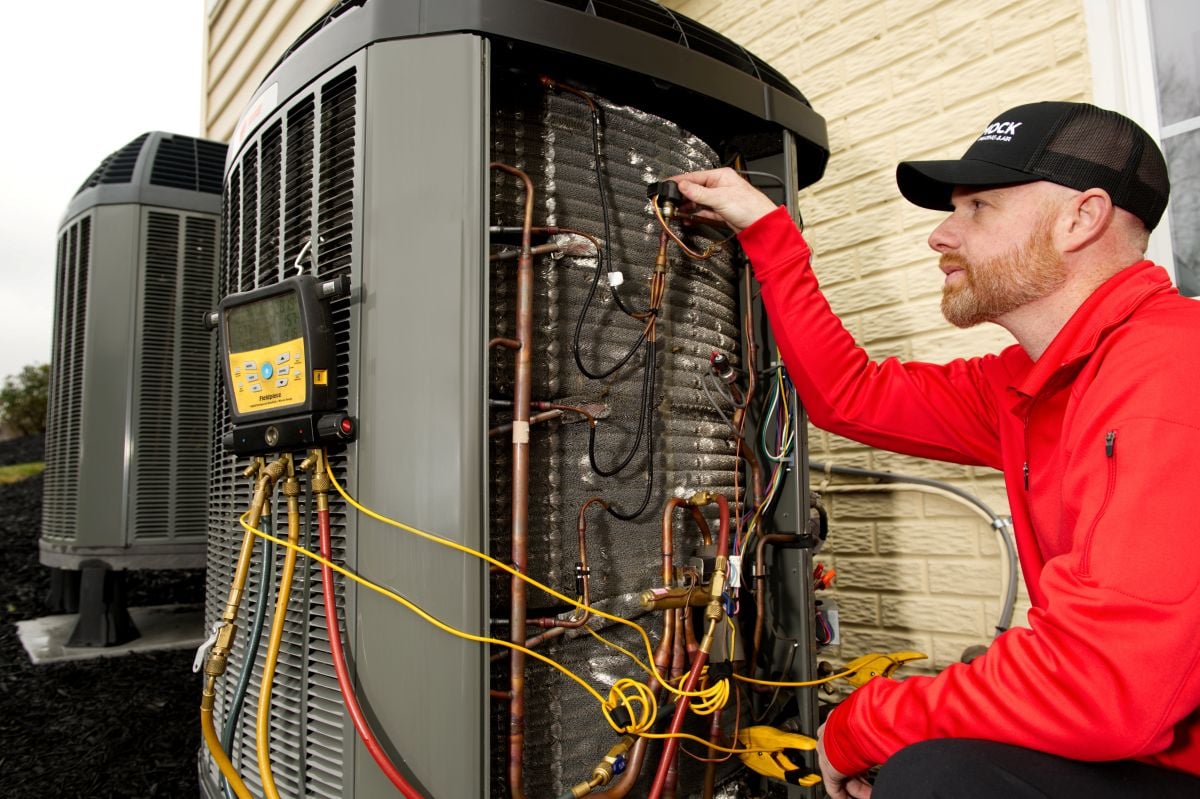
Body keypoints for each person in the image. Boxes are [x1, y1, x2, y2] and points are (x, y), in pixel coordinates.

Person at [674, 101, 1200, 799]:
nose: (941, 235)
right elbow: (850, 395)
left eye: (978, 207)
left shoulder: (1172, 370)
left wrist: (865, 723)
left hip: (1163, 750)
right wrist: (770, 233)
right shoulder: (1034, 382)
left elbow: (1104, 684)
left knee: (937, 776)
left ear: (1082, 218)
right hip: (1147, 748)